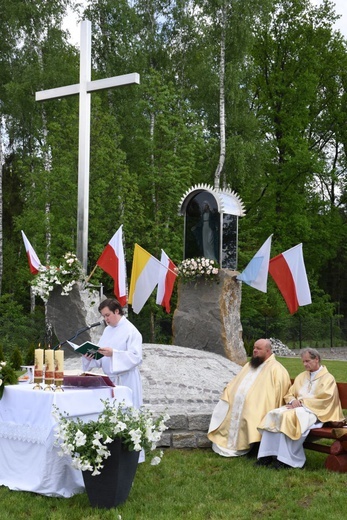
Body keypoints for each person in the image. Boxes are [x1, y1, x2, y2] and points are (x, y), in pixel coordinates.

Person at [256, 347, 344, 469]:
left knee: (287, 418)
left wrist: (302, 402)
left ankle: (286, 461)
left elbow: (326, 400)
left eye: (307, 361)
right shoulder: (302, 376)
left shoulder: (328, 378)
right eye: (303, 361)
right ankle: (266, 456)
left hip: (315, 412)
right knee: (273, 414)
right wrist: (293, 400)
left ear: (317, 359)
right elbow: (290, 393)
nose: (304, 364)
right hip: (298, 408)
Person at [208, 339, 291, 457]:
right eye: (254, 348)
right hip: (240, 404)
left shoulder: (277, 369)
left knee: (250, 413)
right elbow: (236, 382)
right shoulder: (250, 365)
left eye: (258, 349)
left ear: (268, 351)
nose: (255, 351)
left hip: (261, 407)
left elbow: (277, 394)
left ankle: (254, 446)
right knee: (227, 409)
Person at [82, 298, 143, 409]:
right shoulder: (107, 330)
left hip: (126, 380)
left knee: (128, 414)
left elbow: (136, 357)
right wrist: (90, 357)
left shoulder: (131, 331)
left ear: (116, 311)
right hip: (110, 381)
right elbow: (101, 354)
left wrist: (114, 354)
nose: (106, 319)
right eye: (104, 316)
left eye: (107, 315)